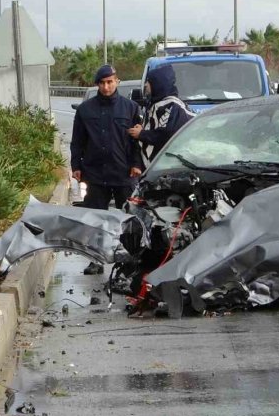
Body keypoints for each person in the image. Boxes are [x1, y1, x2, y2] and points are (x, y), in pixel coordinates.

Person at [70, 64, 144, 275]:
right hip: (95, 173)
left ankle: (130, 260)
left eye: (110, 82)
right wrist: (76, 166)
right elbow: (77, 142)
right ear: (97, 84)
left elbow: (136, 143)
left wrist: (137, 165)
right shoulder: (85, 110)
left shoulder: (130, 108)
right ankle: (96, 259)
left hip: (123, 173)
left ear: (117, 82)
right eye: (102, 83)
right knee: (95, 220)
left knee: (128, 219)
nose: (106, 87)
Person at [128, 64, 195, 158]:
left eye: (149, 82)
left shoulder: (172, 106)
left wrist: (141, 134)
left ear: (158, 84)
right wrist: (143, 129)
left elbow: (167, 135)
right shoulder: (158, 104)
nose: (146, 85)